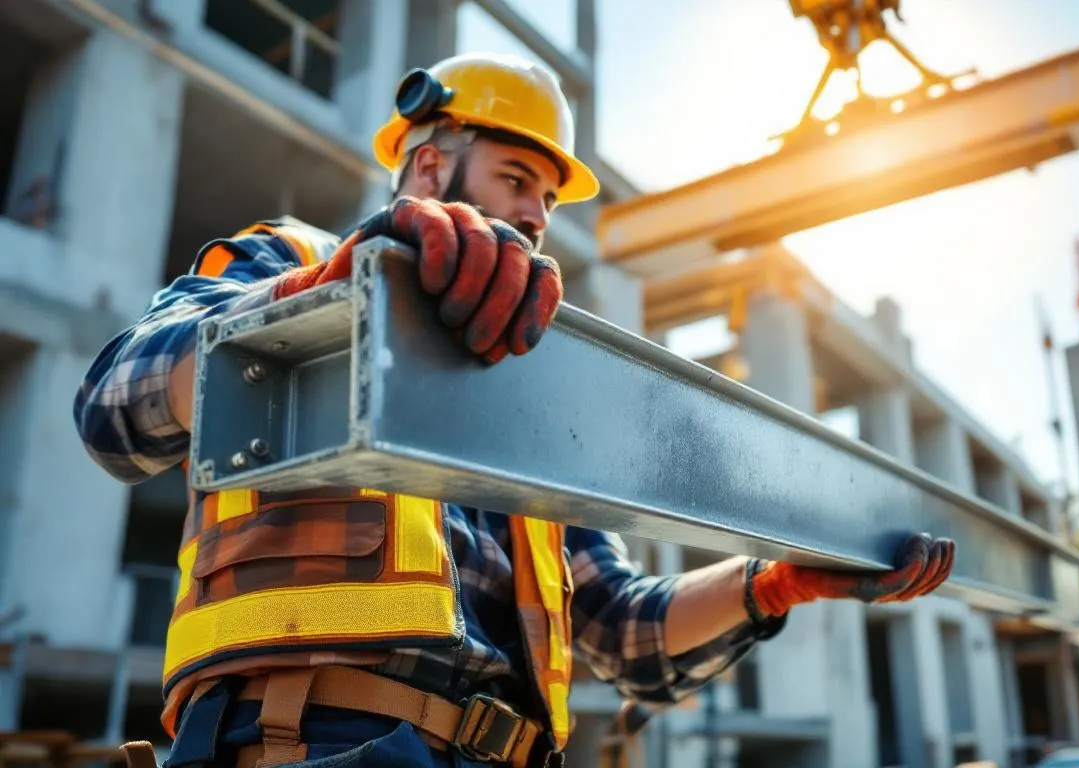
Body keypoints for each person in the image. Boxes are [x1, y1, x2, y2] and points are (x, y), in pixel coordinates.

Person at [73, 52, 956, 768]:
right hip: (308, 740)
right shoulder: (286, 259)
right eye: (517, 177)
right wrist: (323, 300)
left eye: (546, 198)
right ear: (428, 164)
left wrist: (771, 583)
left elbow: (622, 629)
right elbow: (115, 407)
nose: (537, 215)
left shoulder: (528, 396)